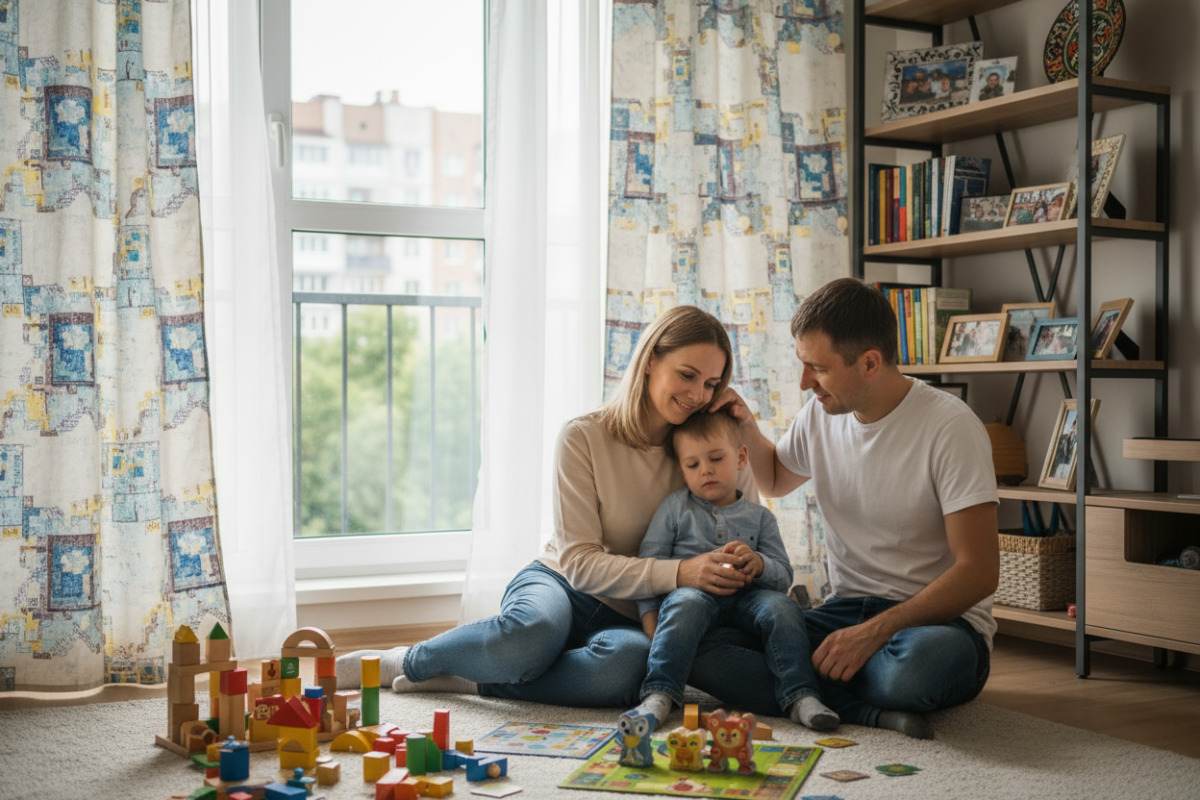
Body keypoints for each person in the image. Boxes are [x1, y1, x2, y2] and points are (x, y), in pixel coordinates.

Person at [333, 305, 786, 715]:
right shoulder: (583, 437)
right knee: (528, 638)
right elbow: (581, 563)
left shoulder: (716, 451)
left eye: (711, 384)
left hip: (633, 611)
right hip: (563, 581)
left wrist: (743, 428)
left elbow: (741, 533)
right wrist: (681, 573)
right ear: (650, 361)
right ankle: (404, 660)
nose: (698, 395)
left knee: (627, 670)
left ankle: (472, 680)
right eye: (687, 375)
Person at [713, 277, 1000, 739]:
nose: (805, 383)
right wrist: (745, 422)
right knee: (710, 644)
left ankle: (804, 684)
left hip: (933, 627)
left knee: (908, 673)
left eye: (817, 369)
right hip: (844, 612)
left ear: (870, 363)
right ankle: (866, 712)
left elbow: (980, 572)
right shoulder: (819, 415)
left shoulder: (950, 427)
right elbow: (773, 478)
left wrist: (876, 633)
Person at [621, 410, 838, 733]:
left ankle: (800, 696)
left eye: (716, 458)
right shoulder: (675, 508)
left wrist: (759, 564)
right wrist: (649, 615)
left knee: (784, 607)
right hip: (694, 594)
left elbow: (782, 575)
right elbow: (650, 564)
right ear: (682, 470)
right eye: (692, 465)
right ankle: (659, 694)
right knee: (685, 603)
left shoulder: (760, 517)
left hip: (751, 596)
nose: (705, 470)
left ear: (740, 458)